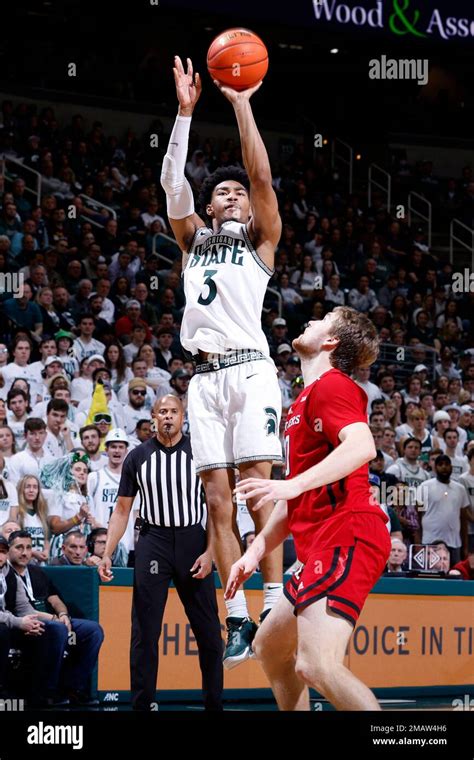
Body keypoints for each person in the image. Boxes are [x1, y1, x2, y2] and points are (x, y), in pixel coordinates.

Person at [160, 55, 283, 668]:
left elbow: (261, 178)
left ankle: (277, 598)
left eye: (237, 193)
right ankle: (237, 618)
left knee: (258, 488)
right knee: (217, 498)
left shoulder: (262, 242)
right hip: (204, 377)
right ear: (210, 210)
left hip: (252, 369)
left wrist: (240, 104)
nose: (232, 196)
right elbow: (170, 184)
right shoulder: (191, 243)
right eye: (222, 193)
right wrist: (184, 114)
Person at [228, 306, 391, 711]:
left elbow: (362, 446)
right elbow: (298, 496)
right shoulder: (304, 398)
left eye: (323, 320)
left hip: (347, 533)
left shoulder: (334, 386)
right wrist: (253, 553)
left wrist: (291, 483)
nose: (310, 322)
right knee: (268, 648)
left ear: (331, 341)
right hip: (317, 543)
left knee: (315, 665)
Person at [98, 395, 223, 711]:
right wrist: (107, 553)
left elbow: (216, 508)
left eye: (173, 412)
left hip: (194, 541)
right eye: (162, 412)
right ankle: (142, 705)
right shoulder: (137, 457)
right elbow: (122, 510)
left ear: (183, 416)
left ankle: (214, 704)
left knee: (209, 631)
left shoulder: (200, 453)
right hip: (153, 541)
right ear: (153, 417)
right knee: (144, 632)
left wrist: (211, 552)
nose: (168, 417)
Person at [4, 530, 104, 706]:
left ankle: (73, 688)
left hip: (48, 618)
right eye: (19, 548)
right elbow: (21, 612)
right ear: (8, 550)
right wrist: (53, 619)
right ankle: (48, 692)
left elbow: (55, 599)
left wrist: (63, 615)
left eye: (28, 547)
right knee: (57, 629)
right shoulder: (7, 573)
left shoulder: (36, 572)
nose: (25, 552)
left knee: (93, 630)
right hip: (21, 623)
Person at [417, 454, 470, 566]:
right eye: (440, 464)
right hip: (430, 541)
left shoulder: (460, 489)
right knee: (430, 576)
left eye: (447, 464)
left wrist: (465, 547)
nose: (444, 467)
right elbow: (418, 516)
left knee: (456, 575)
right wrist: (418, 543)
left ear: (451, 467)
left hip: (454, 542)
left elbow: (463, 519)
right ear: (435, 468)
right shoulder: (425, 486)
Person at [11, 475, 50, 565]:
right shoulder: (17, 513)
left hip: (40, 564)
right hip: (22, 562)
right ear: (21, 490)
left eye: (35, 487)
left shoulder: (42, 514)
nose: (31, 490)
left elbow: (47, 539)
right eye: (27, 487)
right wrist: (32, 553)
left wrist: (46, 551)